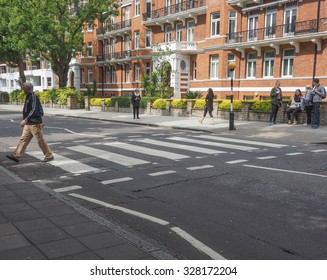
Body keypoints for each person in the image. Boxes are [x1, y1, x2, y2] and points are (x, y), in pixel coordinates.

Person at [6, 82, 54, 163]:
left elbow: (34, 110)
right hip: (29, 124)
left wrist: (26, 120)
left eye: (24, 87)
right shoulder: (28, 97)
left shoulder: (33, 96)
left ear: (28, 88)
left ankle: (49, 156)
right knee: (23, 139)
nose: (22, 89)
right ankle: (17, 156)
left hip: (34, 123)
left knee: (40, 140)